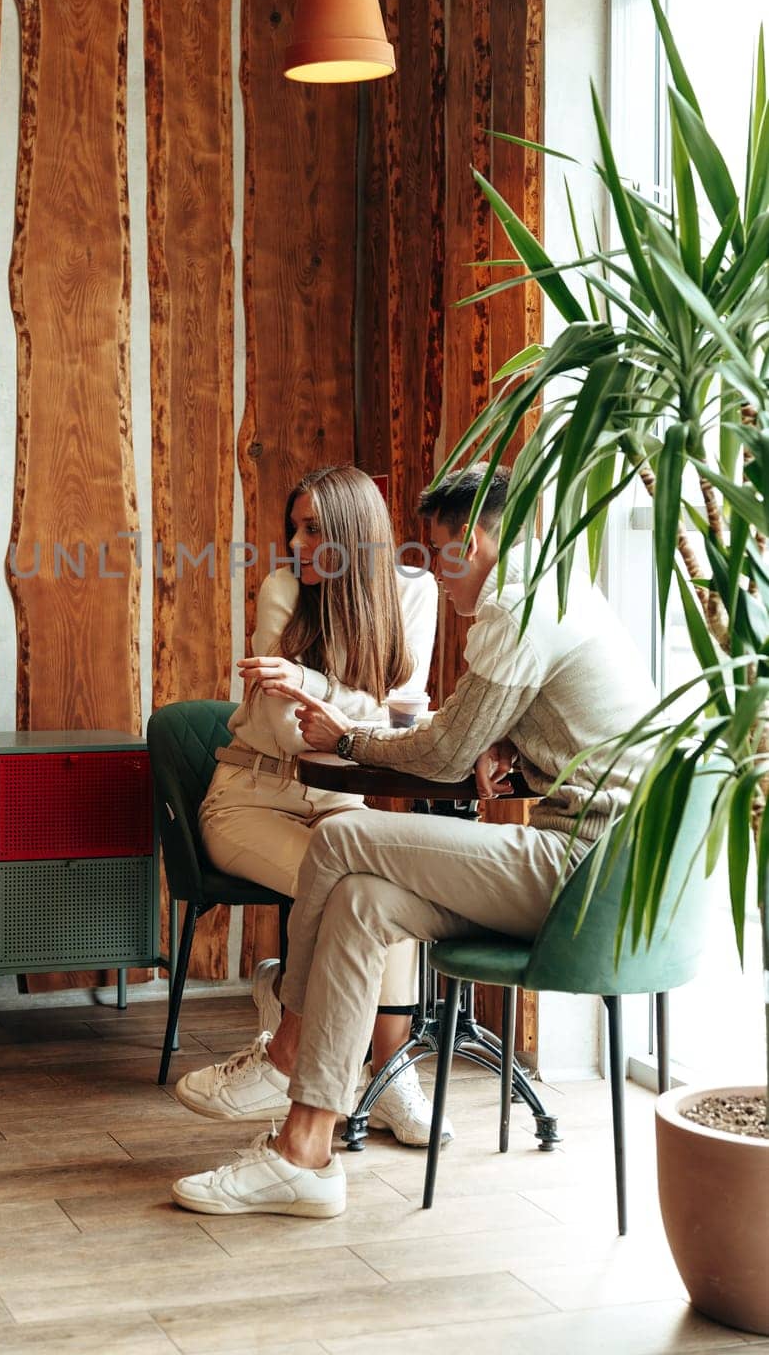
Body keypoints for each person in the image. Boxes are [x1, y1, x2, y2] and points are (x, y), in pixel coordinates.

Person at [170, 462, 658, 1217]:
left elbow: (436, 750)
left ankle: (286, 1053)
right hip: (602, 865)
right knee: (363, 902)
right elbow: (465, 731)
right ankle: (304, 1155)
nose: (434, 571)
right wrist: (511, 746)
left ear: (470, 543)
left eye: (438, 552)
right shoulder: (555, 589)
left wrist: (357, 737)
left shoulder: (516, 607)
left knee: (344, 841)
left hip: (584, 868)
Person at [175, 464, 440, 1145]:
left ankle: (388, 1076)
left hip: (342, 797)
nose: (296, 543)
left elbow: (394, 721)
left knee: (386, 891)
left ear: (356, 531)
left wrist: (306, 680)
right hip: (248, 799)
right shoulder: (284, 589)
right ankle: (298, 1037)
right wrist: (339, 699)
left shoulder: (413, 591)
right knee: (348, 897)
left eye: (313, 528)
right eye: (293, 527)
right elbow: (301, 728)